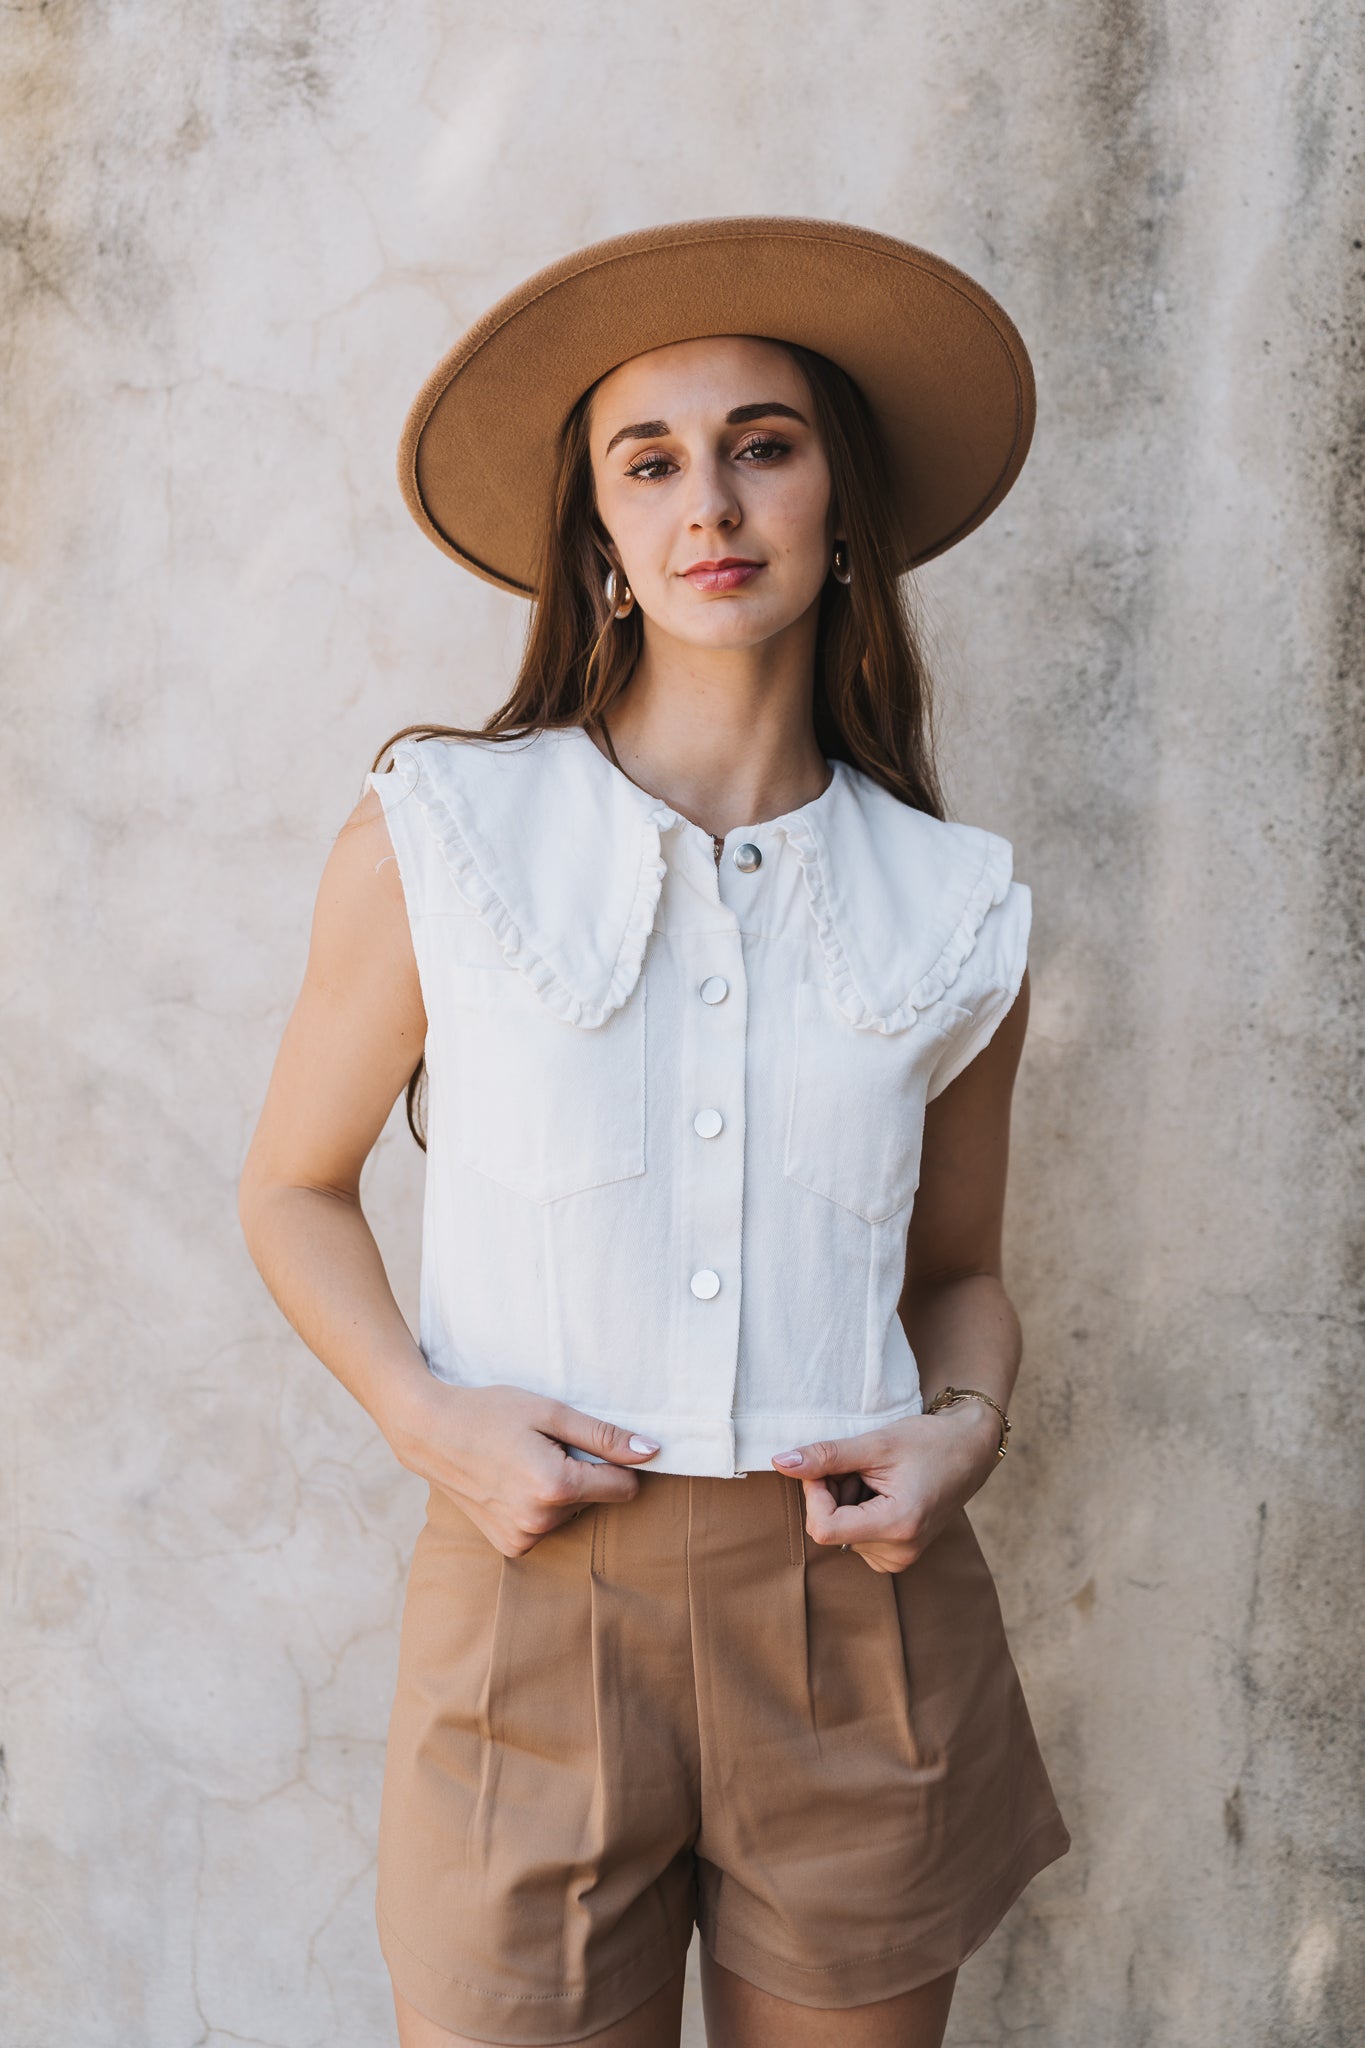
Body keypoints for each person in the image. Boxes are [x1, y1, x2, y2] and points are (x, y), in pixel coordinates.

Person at [238, 216, 1072, 2048]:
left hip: (856, 1619)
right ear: (602, 541)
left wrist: (964, 1436)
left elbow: (958, 1274)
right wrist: (424, 1416)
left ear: (839, 508)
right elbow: (294, 1188)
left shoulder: (956, 906)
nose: (711, 499)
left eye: (762, 444)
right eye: (652, 460)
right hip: (529, 1601)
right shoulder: (439, 839)